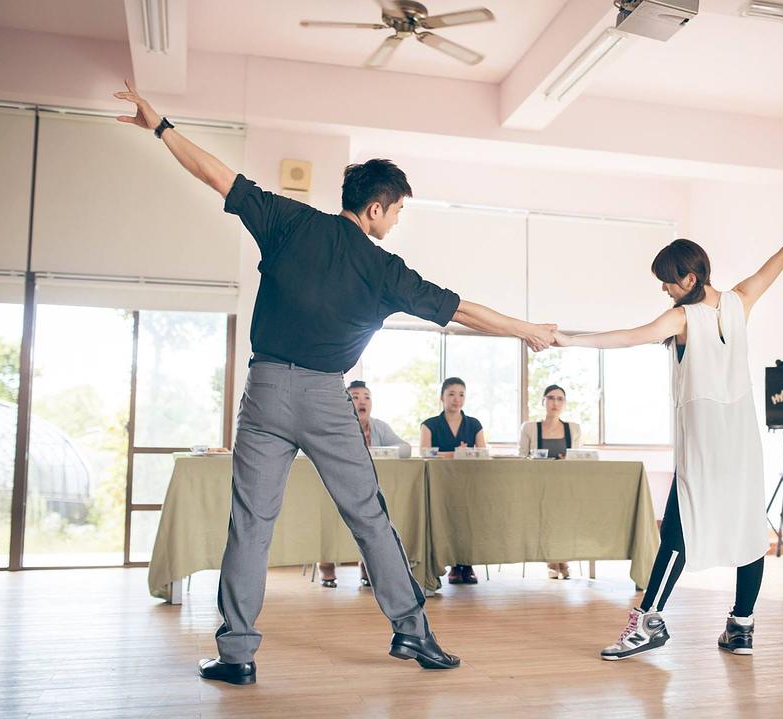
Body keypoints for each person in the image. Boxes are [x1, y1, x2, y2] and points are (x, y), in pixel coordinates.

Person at [114, 80, 556, 682]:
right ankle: (413, 633)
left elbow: (216, 175)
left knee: (250, 523)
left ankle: (236, 655)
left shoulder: (289, 221)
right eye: (397, 211)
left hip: (266, 392)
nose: (396, 221)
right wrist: (525, 329)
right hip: (326, 397)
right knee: (368, 516)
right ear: (375, 209)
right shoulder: (383, 269)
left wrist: (162, 126)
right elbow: (460, 309)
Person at [553, 210, 783, 660]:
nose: (664, 289)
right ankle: (741, 627)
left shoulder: (682, 318)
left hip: (704, 444)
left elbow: (629, 337)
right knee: (748, 532)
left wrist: (570, 341)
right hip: (742, 443)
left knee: (677, 535)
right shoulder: (741, 299)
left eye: (668, 282)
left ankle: (648, 624)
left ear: (690, 277)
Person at [318, 380, 410, 590]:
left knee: (376, 515)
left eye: (367, 397)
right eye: (356, 397)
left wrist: (377, 451)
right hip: (336, 484)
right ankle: (326, 563)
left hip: (367, 486)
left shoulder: (379, 427)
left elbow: (405, 449)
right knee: (329, 514)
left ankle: (367, 564)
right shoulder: (332, 424)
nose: (362, 401)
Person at [420, 377, 485, 585]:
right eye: (451, 394)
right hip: (439, 482)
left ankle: (466, 564)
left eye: (461, 394)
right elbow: (425, 453)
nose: (457, 399)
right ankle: (448, 565)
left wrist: (453, 454)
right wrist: (457, 453)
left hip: (468, 482)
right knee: (443, 521)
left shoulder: (474, 424)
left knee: (467, 522)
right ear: (442, 397)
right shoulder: (430, 424)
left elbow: (482, 453)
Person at [519, 384, 583, 579]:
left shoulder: (574, 428)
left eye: (560, 399)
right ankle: (552, 559)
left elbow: (578, 458)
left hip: (565, 485)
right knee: (546, 513)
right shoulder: (530, 427)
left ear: (564, 403)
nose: (555, 402)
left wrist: (567, 460)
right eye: (551, 398)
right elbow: (522, 457)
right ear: (543, 401)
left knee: (564, 515)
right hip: (538, 485)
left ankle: (563, 557)